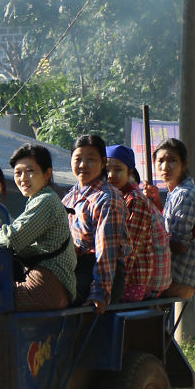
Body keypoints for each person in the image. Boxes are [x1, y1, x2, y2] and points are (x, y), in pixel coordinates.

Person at [0, 144, 76, 310]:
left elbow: (12, 238)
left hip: (45, 286)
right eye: (18, 173)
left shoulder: (46, 201)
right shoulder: (40, 200)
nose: (23, 178)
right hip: (51, 287)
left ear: (47, 174)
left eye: (30, 171)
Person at [63, 133, 130, 312]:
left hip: (100, 273)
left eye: (90, 159)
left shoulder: (108, 198)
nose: (83, 165)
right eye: (78, 159)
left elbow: (106, 252)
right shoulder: (70, 197)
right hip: (74, 266)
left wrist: (99, 292)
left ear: (103, 163)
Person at [105, 143, 170, 301]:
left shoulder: (134, 201)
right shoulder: (118, 196)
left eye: (118, 169)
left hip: (141, 284)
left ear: (130, 172)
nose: (110, 175)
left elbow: (128, 252)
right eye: (106, 170)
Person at [152, 137, 195, 297]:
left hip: (182, 277)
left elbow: (179, 246)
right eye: (160, 161)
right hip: (177, 275)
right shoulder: (176, 192)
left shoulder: (184, 195)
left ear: (184, 164)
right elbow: (168, 226)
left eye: (172, 160)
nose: (165, 166)